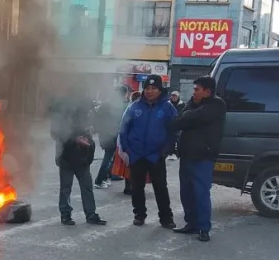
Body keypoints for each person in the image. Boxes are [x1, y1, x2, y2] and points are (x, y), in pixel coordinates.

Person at [117, 75, 177, 228]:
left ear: (160, 90)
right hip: (136, 155)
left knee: (160, 188)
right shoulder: (134, 107)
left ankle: (166, 218)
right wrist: (127, 149)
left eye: (154, 88)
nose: (150, 91)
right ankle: (139, 214)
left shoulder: (167, 108)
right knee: (137, 188)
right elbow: (124, 128)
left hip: (156, 155)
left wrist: (167, 149)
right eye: (147, 88)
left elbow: (174, 131)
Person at [173, 76, 227, 243]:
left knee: (201, 193)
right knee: (186, 192)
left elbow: (196, 117)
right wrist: (189, 112)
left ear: (207, 91)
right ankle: (191, 223)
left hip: (203, 157)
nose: (194, 92)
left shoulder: (217, 104)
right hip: (186, 155)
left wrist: (188, 115)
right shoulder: (192, 103)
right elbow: (178, 121)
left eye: (197, 89)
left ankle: (204, 228)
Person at [50, 84, 106, 226]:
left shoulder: (87, 110)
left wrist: (91, 131)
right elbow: (55, 132)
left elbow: (92, 128)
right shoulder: (62, 110)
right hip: (66, 156)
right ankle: (65, 214)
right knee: (66, 188)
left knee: (87, 187)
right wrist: (74, 139)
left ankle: (91, 214)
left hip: (83, 157)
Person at [95, 86, 129, 188]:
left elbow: (98, 117)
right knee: (108, 158)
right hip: (112, 134)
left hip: (105, 134)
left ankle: (106, 177)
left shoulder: (107, 103)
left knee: (111, 157)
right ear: (124, 94)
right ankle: (99, 180)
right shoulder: (118, 105)